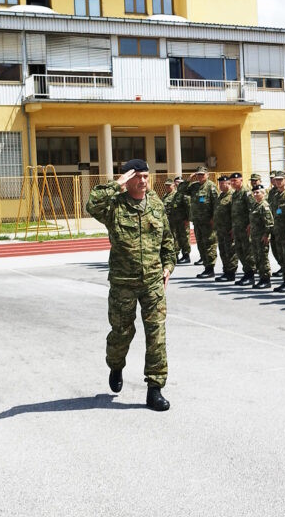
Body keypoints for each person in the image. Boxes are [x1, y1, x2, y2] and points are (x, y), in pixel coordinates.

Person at [86, 161, 175, 411]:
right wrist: (117, 184)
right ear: (127, 179)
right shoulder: (114, 206)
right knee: (122, 332)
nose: (144, 181)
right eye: (138, 177)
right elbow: (92, 203)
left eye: (146, 176)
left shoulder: (157, 205)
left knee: (156, 334)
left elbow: (168, 241)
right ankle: (116, 365)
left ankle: (155, 388)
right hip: (123, 283)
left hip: (153, 284)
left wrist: (168, 266)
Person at [189, 166, 219, 279]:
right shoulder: (194, 186)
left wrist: (213, 218)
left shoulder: (211, 186)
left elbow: (216, 204)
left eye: (202, 174)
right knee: (201, 244)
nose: (200, 176)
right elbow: (182, 191)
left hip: (208, 221)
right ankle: (206, 267)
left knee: (209, 244)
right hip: (197, 221)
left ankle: (210, 268)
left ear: (207, 175)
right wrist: (188, 179)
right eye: (198, 174)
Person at [230, 172, 256, 286]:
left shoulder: (247, 193)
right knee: (240, 251)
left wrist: (250, 224)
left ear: (241, 180)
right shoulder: (235, 194)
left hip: (246, 228)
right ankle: (246, 273)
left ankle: (250, 275)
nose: (233, 183)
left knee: (248, 251)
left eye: (235, 181)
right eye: (231, 181)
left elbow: (253, 209)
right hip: (237, 228)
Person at [249, 184, 274, 289]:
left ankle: (266, 279)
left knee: (263, 258)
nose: (255, 194)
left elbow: (270, 223)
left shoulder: (264, 206)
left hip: (262, 236)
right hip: (255, 236)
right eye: (254, 192)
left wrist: (266, 235)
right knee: (257, 258)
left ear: (263, 193)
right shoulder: (256, 205)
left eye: (257, 192)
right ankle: (261, 278)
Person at [213, 175, 238, 282]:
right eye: (219, 184)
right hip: (220, 229)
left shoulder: (232, 196)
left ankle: (231, 272)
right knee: (223, 250)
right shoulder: (221, 196)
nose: (220, 186)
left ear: (228, 184)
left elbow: (235, 213)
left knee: (230, 251)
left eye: (222, 184)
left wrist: (233, 227)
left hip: (228, 229)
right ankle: (226, 271)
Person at [170, 175, 191, 264]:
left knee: (184, 238)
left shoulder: (184, 194)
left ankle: (186, 255)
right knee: (178, 238)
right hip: (176, 220)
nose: (178, 184)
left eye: (180, 182)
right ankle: (182, 255)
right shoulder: (176, 194)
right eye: (176, 182)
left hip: (183, 220)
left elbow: (188, 207)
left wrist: (187, 219)